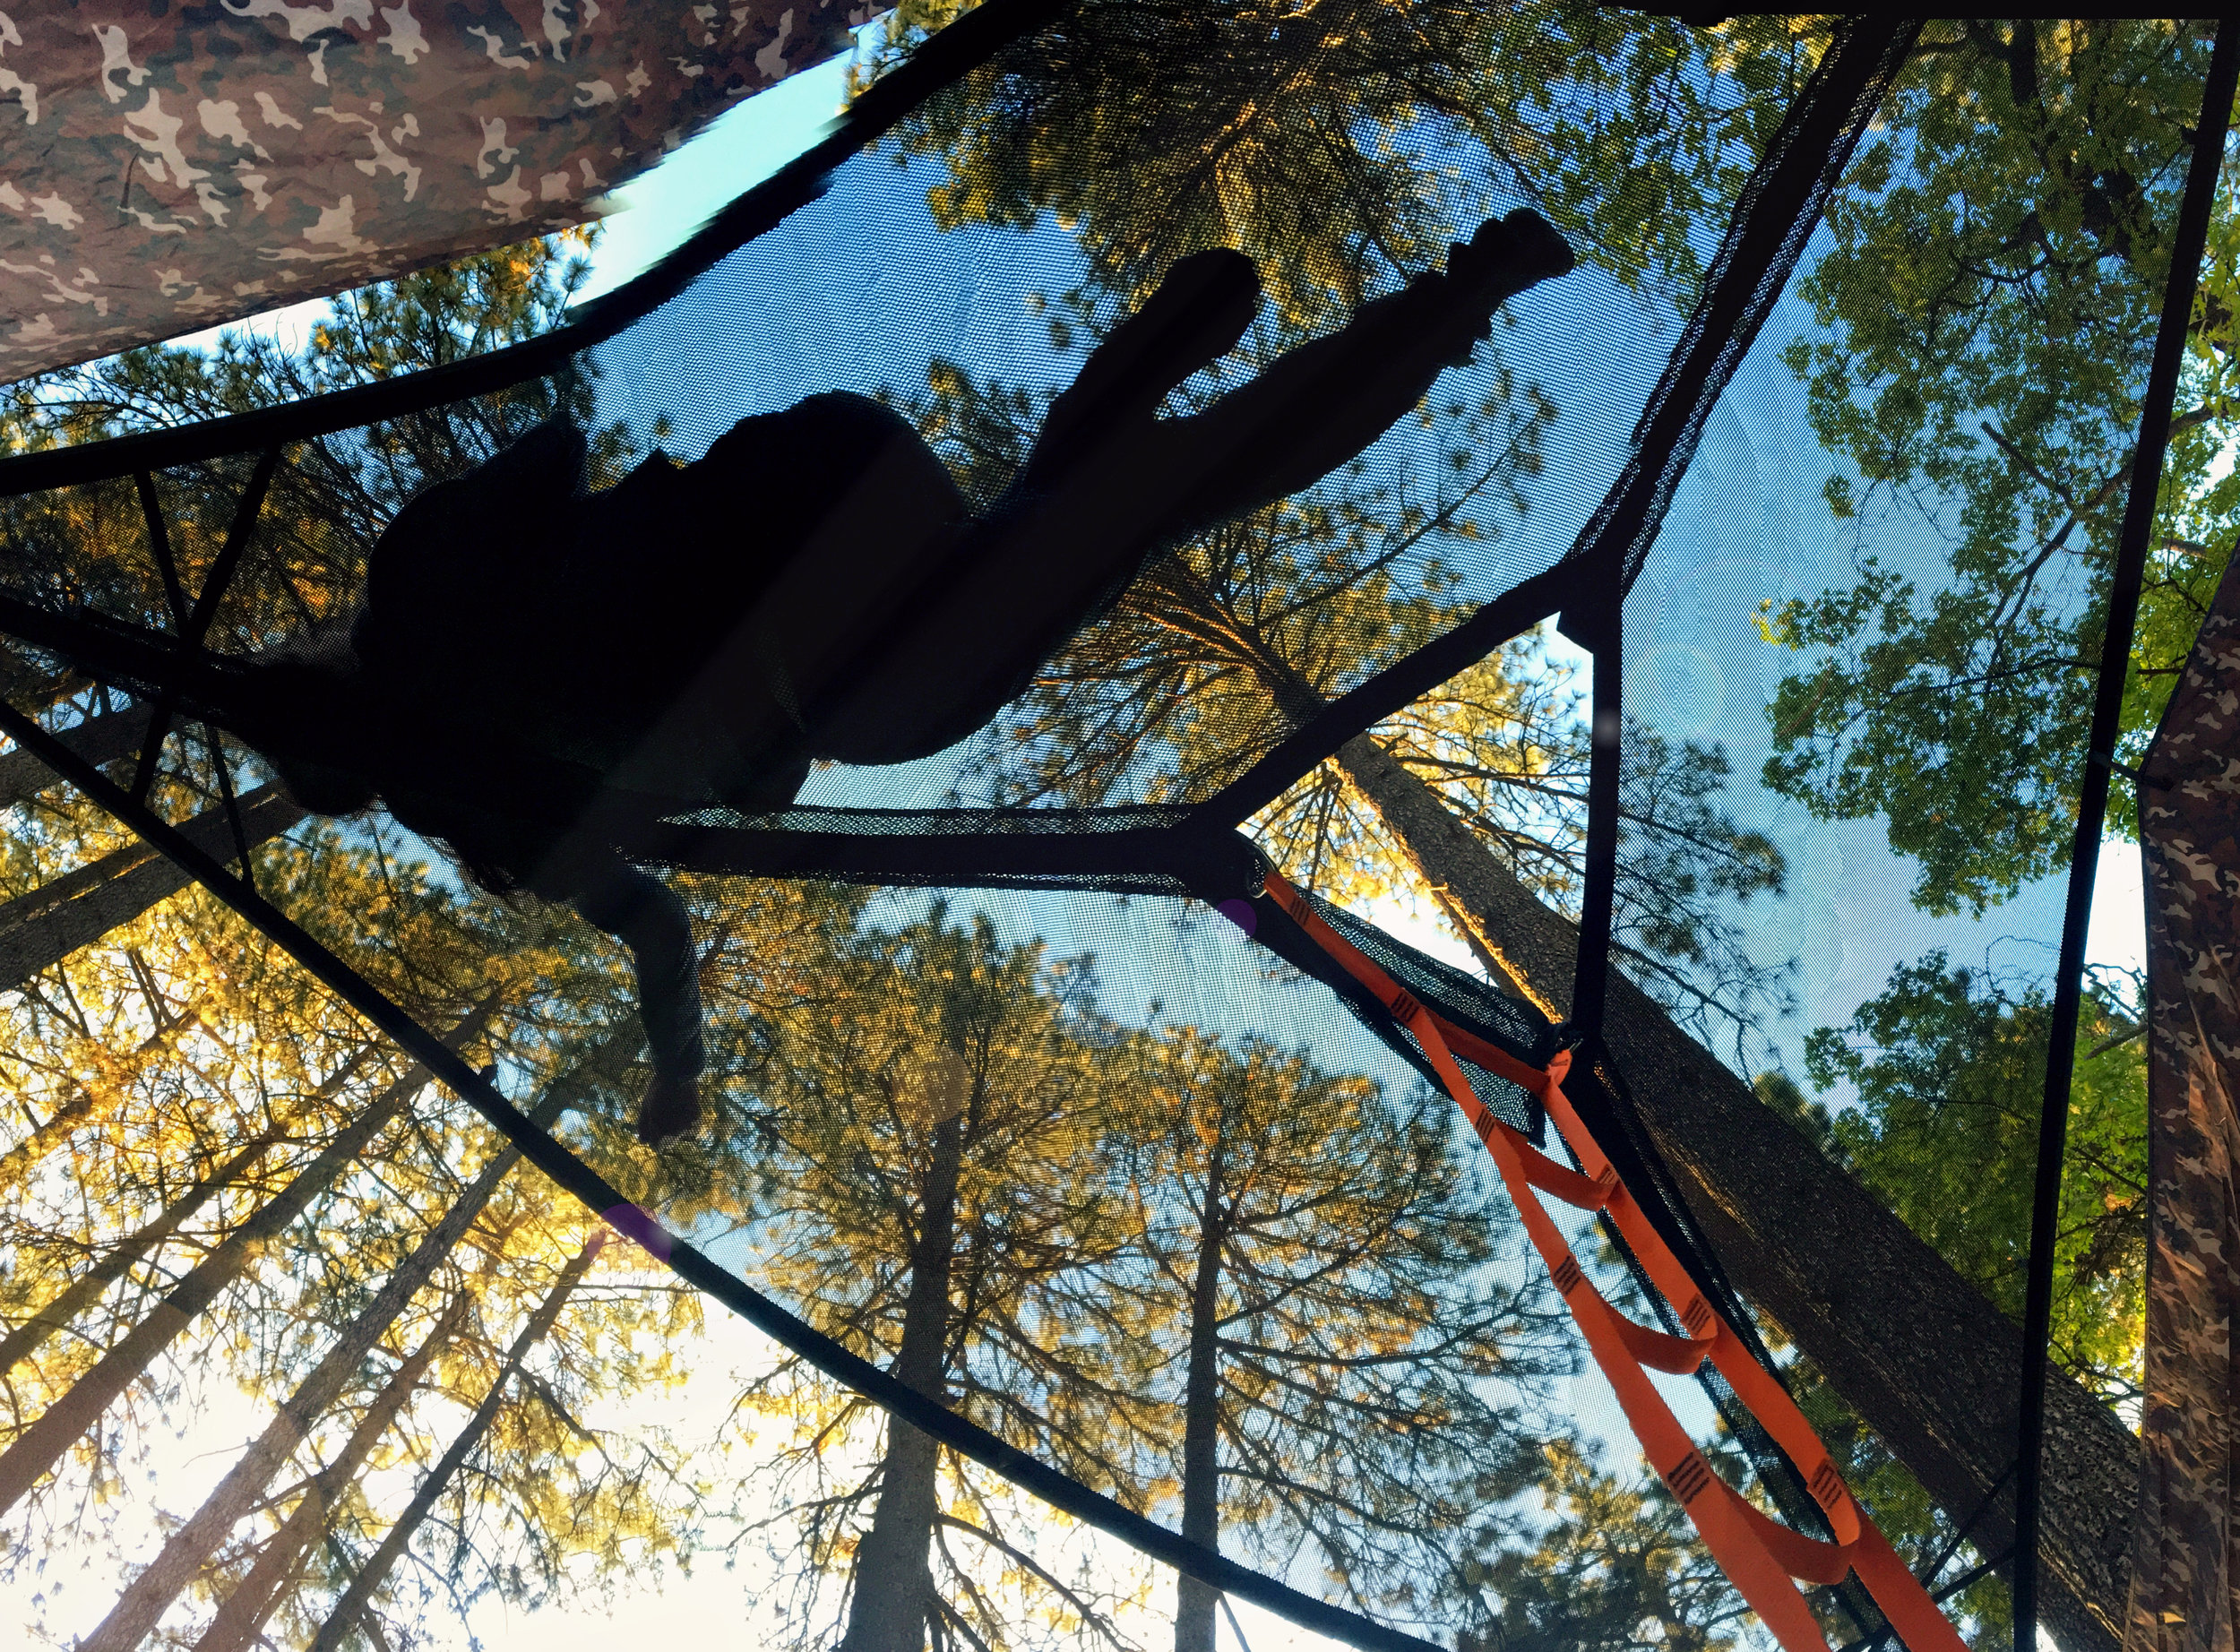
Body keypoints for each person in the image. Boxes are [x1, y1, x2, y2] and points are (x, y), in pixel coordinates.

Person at [254, 209, 1576, 1145]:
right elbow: (549, 445)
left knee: (1141, 504)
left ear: (358, 789)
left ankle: (1450, 302)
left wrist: (680, 1077)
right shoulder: (417, 579)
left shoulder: (500, 831)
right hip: (840, 488)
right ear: (316, 673)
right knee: (1068, 505)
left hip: (855, 675)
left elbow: (657, 933)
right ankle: (1155, 381)